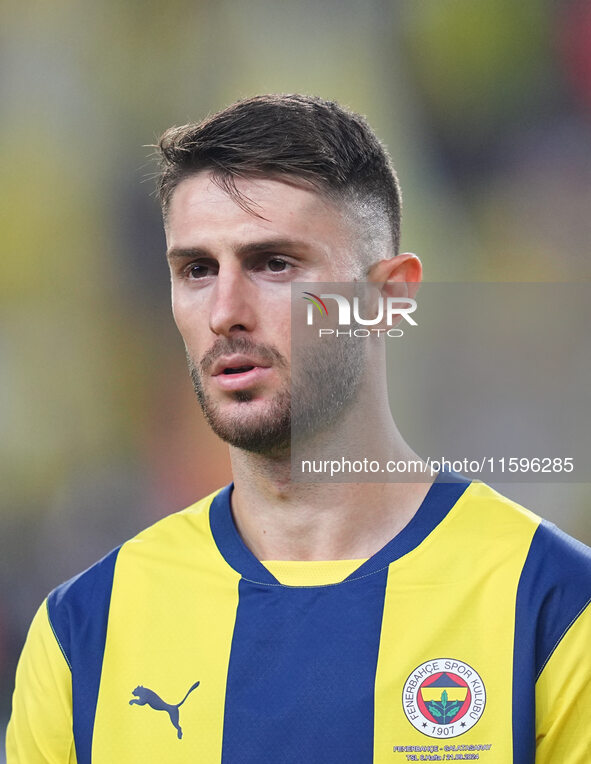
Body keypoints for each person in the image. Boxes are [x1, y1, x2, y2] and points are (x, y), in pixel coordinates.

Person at [6, 94, 591, 764]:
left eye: (273, 264)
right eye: (196, 269)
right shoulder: (86, 633)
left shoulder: (553, 606)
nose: (225, 310)